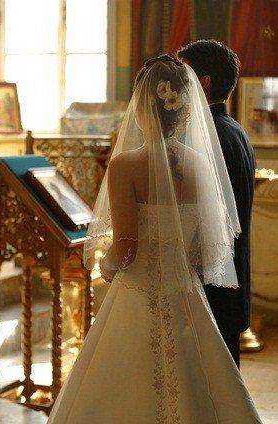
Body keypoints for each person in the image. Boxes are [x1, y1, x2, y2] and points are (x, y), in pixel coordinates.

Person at [48, 55, 261, 423]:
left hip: (137, 294)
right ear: (185, 108)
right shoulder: (200, 164)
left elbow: (126, 248)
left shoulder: (125, 165)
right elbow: (204, 253)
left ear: (143, 104)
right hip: (185, 295)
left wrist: (105, 265)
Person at [177, 40, 256, 368]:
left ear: (204, 81)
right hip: (229, 281)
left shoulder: (210, 138)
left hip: (214, 285)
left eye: (185, 72)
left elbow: (204, 221)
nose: (178, 81)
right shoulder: (234, 129)